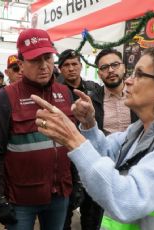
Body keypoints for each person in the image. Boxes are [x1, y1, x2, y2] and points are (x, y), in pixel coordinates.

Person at [31, 45, 154, 230]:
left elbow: (128, 200)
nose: (128, 81)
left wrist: (73, 139)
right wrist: (89, 125)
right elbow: (106, 153)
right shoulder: (140, 128)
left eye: (139, 74)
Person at [0, 28, 74, 230]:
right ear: (21, 64)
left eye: (47, 57)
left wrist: (76, 184)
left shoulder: (65, 93)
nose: (44, 66)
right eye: (35, 60)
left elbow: (72, 143)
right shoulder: (6, 98)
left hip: (59, 195)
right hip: (21, 199)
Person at [57, 49, 102, 230]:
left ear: (81, 66)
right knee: (63, 215)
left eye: (74, 64)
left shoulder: (94, 89)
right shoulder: (55, 91)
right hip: (65, 159)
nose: (71, 68)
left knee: (91, 214)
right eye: (66, 65)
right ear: (60, 69)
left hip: (90, 156)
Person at [93, 48, 137, 136]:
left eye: (115, 65)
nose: (110, 70)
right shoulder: (93, 100)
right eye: (104, 67)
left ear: (124, 68)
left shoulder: (138, 95)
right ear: (99, 74)